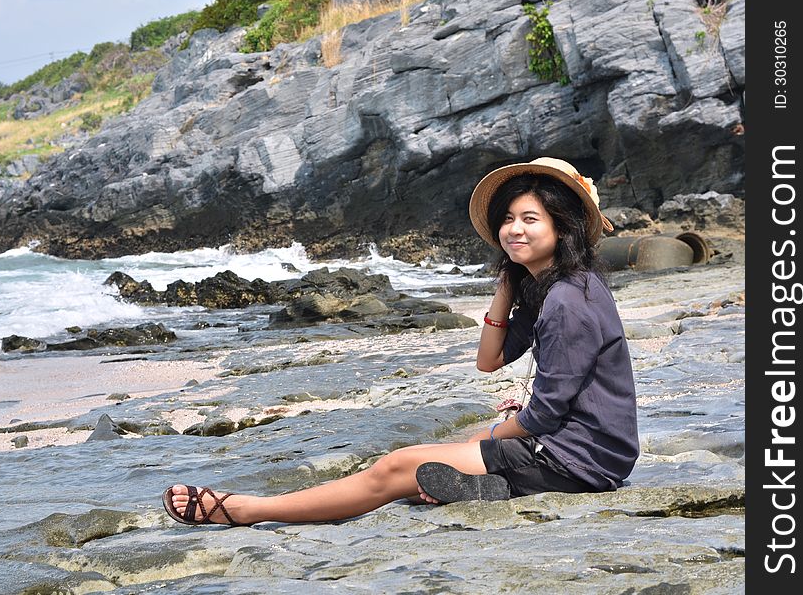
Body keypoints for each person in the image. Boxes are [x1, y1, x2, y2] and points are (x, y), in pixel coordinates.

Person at [162, 157, 639, 527]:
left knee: (396, 467)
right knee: (425, 473)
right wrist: (508, 283)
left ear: (562, 224)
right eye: (509, 218)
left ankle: (247, 509)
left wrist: (489, 435)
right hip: (585, 452)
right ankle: (490, 484)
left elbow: (546, 415)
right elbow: (488, 360)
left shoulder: (566, 300)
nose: (514, 229)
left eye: (531, 218)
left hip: (575, 461)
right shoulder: (554, 290)